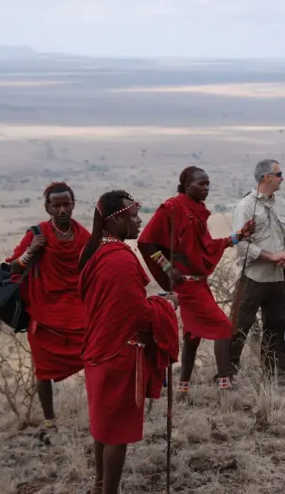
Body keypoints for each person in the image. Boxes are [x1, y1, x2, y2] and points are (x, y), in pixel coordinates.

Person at [78, 190, 179, 494]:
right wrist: (166, 305)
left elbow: (121, 305)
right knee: (116, 433)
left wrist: (155, 302)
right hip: (119, 354)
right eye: (133, 216)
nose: (139, 221)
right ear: (116, 220)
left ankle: (99, 487)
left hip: (98, 348)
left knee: (103, 426)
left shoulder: (97, 251)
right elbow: (137, 314)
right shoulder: (119, 258)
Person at [138, 166, 255, 395]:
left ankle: (183, 390)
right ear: (186, 185)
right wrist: (167, 267)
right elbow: (146, 241)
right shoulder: (172, 208)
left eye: (208, 183)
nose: (206, 188)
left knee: (192, 336)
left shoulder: (198, 210)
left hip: (198, 283)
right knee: (223, 328)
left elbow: (206, 247)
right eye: (201, 183)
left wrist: (239, 236)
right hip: (186, 285)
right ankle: (225, 385)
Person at [5, 182, 90, 431]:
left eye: (66, 204)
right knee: (43, 370)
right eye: (56, 205)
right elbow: (11, 267)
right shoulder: (37, 234)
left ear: (73, 205)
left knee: (94, 357)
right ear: (47, 208)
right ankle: (50, 421)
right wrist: (31, 251)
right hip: (43, 313)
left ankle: (96, 410)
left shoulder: (84, 236)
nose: (62, 210)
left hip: (78, 312)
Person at [230, 159, 285, 379]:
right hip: (252, 277)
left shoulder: (282, 205)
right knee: (239, 325)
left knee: (278, 325)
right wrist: (270, 256)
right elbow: (241, 245)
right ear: (266, 177)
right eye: (278, 174)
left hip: (278, 277)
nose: (282, 178)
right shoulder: (246, 206)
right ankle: (227, 374)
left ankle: (275, 374)